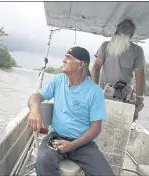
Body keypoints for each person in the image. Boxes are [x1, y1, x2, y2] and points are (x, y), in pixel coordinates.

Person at [27, 46, 114, 176]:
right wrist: (35, 110)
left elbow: (96, 128)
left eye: (69, 57)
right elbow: (35, 96)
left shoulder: (95, 92)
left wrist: (72, 145)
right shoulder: (58, 80)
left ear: (81, 64)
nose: (63, 60)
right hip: (56, 136)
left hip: (83, 142)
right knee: (43, 160)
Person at [91, 19, 145, 129]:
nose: (124, 30)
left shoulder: (137, 50)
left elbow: (140, 75)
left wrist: (139, 97)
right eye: (123, 27)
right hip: (103, 93)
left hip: (124, 97)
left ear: (131, 34)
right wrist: (94, 89)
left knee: (118, 127)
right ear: (116, 30)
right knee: (98, 124)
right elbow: (96, 67)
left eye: (127, 28)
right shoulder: (105, 46)